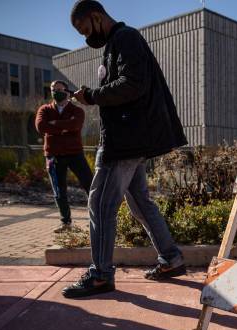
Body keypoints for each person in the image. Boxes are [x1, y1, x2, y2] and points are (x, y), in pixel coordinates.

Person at [63, 0, 188, 298]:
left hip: (124, 142)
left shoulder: (125, 38)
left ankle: (101, 275)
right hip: (132, 139)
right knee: (140, 203)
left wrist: (91, 96)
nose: (85, 37)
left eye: (84, 29)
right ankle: (171, 258)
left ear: (96, 16)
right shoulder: (117, 43)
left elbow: (133, 84)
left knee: (101, 205)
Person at [35, 80, 93, 232]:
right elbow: (41, 127)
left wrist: (54, 124)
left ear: (67, 92)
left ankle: (96, 219)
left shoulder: (77, 111)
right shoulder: (44, 110)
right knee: (59, 191)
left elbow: (75, 125)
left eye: (59, 89)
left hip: (75, 154)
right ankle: (66, 223)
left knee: (90, 185)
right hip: (54, 155)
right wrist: (65, 127)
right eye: (53, 89)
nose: (55, 92)